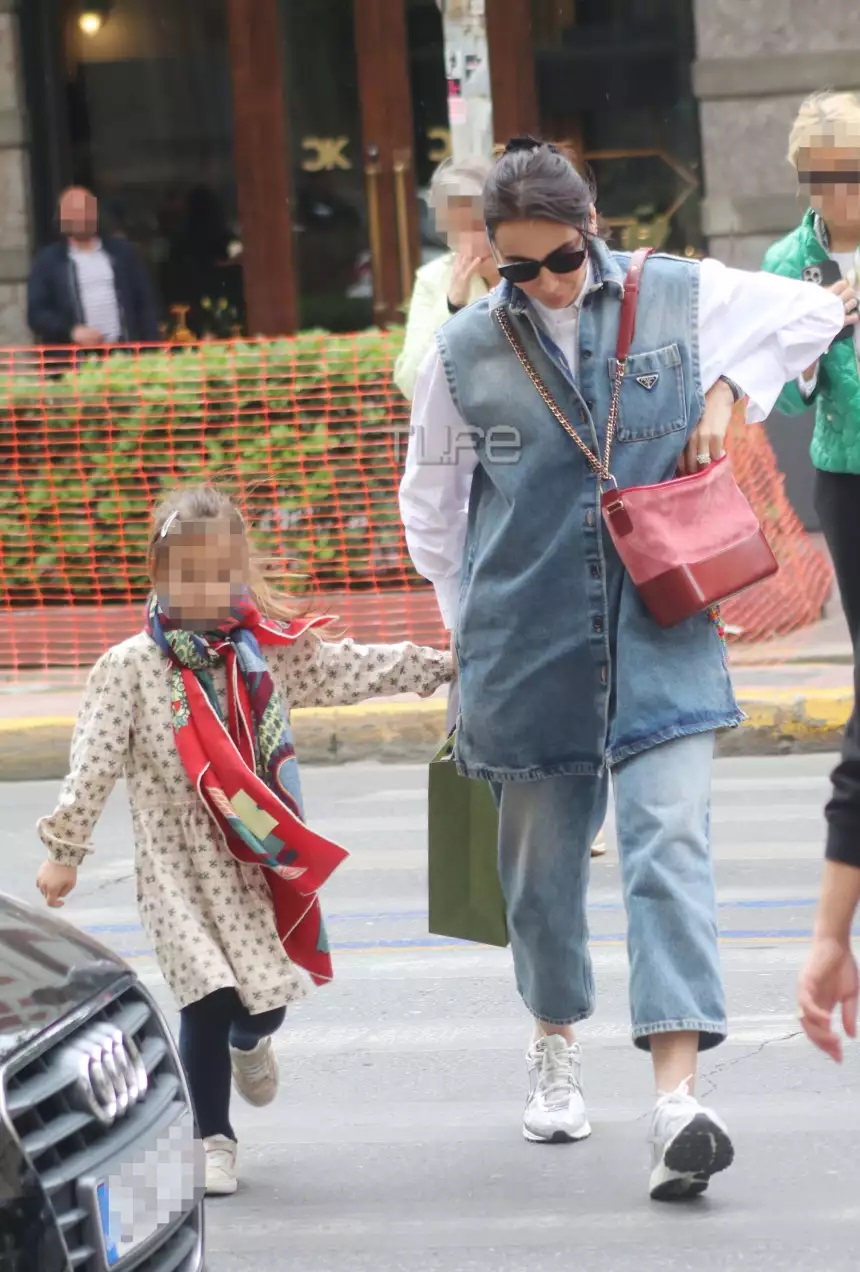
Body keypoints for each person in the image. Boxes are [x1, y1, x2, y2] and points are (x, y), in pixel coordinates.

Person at [399, 137, 852, 1200]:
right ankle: (553, 1039)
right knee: (540, 879)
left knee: (666, 845)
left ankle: (675, 1105)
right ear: (489, 258)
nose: (546, 285)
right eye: (518, 269)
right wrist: (467, 637)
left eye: (560, 260)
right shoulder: (462, 354)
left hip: (661, 628)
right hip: (524, 640)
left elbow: (811, 312)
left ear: (589, 230)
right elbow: (433, 511)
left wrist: (725, 395)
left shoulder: (676, 295)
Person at [35, 484, 452, 1197]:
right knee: (204, 992)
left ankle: (250, 1041)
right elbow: (92, 764)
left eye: (220, 574)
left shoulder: (262, 655)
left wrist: (440, 665)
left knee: (263, 1003)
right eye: (188, 574)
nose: (205, 590)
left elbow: (350, 668)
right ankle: (212, 1139)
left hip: (251, 856)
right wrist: (64, 850)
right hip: (174, 867)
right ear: (158, 573)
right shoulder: (129, 668)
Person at [394, 157, 500, 402]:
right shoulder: (433, 279)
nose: (470, 243)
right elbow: (411, 382)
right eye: (457, 232)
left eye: (478, 227)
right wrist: (451, 306)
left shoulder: (530, 268)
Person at [27, 186, 160, 346]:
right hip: (74, 356)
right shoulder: (48, 260)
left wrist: (152, 347)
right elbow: (37, 314)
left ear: (95, 213)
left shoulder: (123, 253)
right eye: (73, 211)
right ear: (61, 217)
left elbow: (145, 304)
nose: (80, 217)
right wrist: (71, 332)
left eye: (85, 210)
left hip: (124, 351)